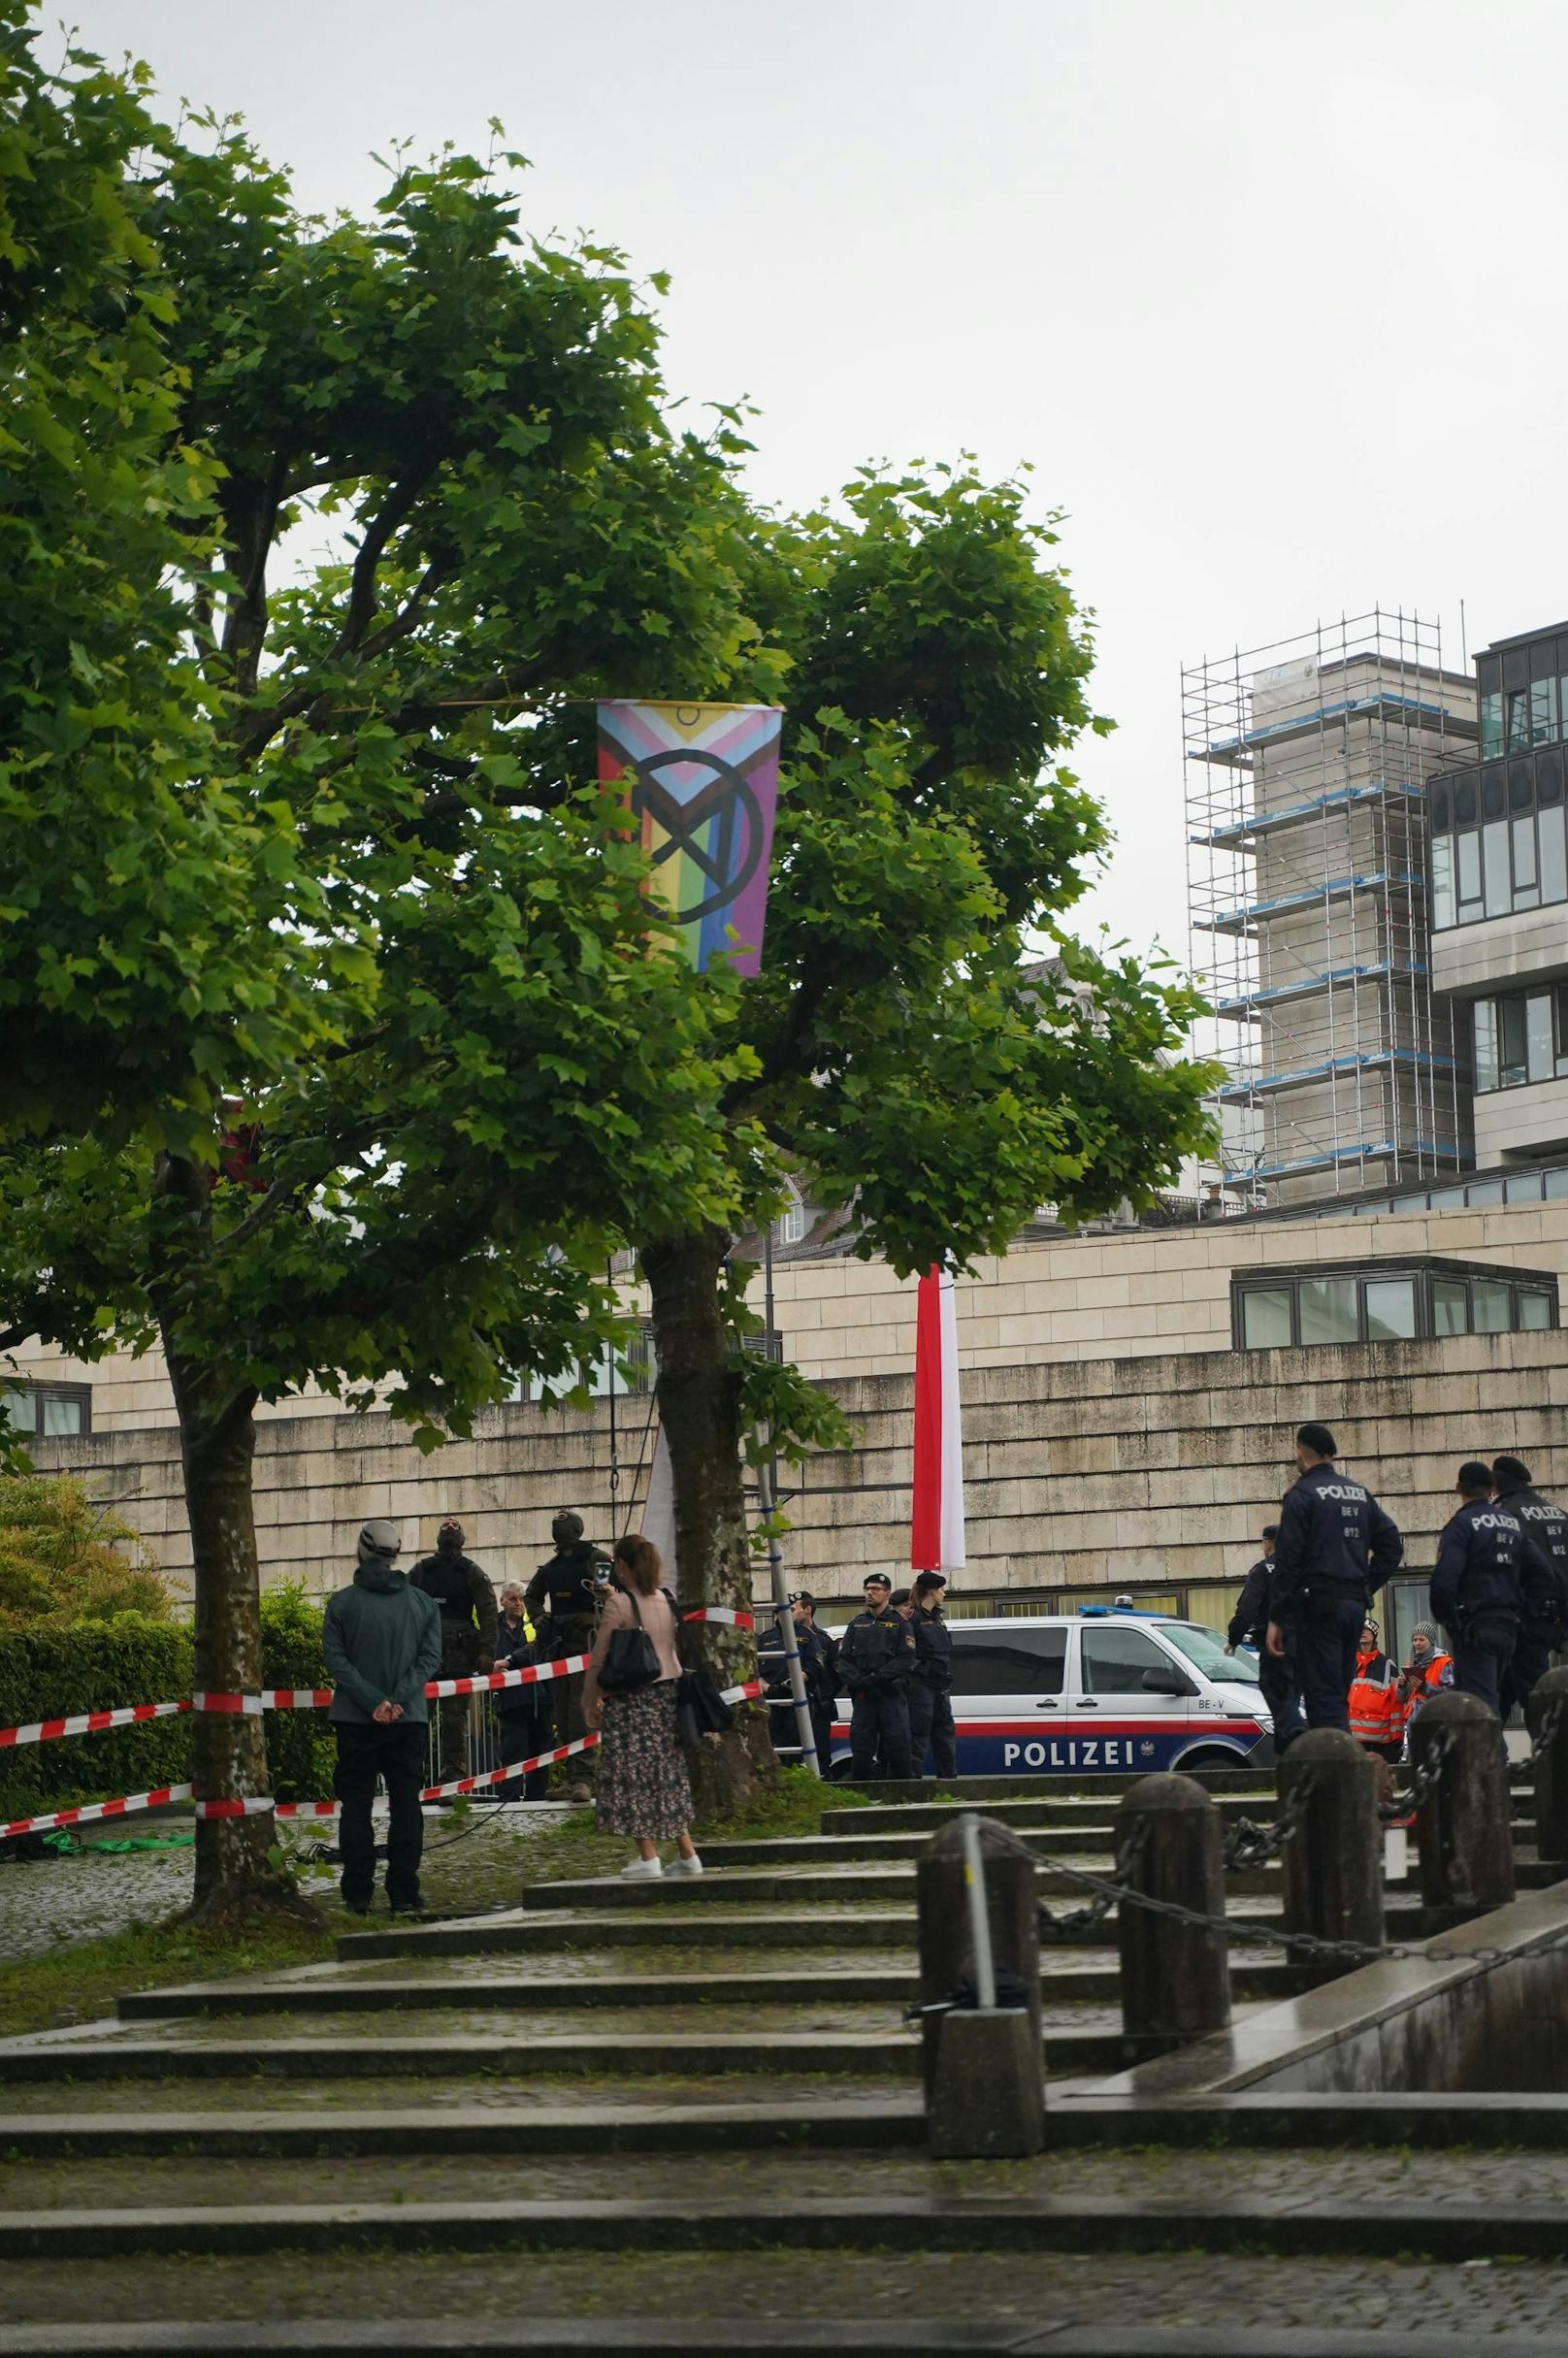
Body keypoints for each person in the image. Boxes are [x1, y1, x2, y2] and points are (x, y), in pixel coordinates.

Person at [321, 1519, 442, 1917]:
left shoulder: (341, 1604)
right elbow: (429, 1660)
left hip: (354, 1720)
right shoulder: (424, 1604)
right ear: (396, 1554)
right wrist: (398, 1699)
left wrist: (372, 1700)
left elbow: (336, 1661)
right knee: (406, 1805)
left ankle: (357, 1893)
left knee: (354, 1806)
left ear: (360, 1550)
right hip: (409, 1719)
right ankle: (405, 1892)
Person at [1267, 1423, 1403, 1734]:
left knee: (1321, 1694)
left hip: (1318, 1606)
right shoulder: (1359, 1493)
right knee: (1339, 1691)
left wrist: (1277, 1617)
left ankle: (1334, 1772)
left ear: (1300, 1452)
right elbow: (1391, 1546)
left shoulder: (1302, 1495)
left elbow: (1287, 1562)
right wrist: (1365, 1585)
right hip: (1354, 1606)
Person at [581, 1533, 701, 1881]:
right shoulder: (667, 1598)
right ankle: (687, 1853)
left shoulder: (619, 1606)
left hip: (632, 1700)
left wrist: (589, 1701)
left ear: (621, 1565)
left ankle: (648, 1857)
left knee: (629, 1776)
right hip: (668, 1696)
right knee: (667, 1775)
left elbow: (598, 1659)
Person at [1430, 1459, 1556, 1716]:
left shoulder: (1461, 1525)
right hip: (1510, 1628)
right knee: (1503, 1698)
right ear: (1491, 1488)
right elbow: (1543, 1573)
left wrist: (1451, 1623)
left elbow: (1443, 1582)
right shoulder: (1511, 1523)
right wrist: (1526, 1610)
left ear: (1458, 1488)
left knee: (1480, 1708)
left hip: (1476, 1628)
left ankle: (1489, 1756)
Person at [525, 1509, 612, 1803]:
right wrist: (539, 1619)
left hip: (587, 1646)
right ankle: (572, 1776)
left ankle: (583, 1779)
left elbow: (613, 1592)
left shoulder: (597, 1558)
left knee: (579, 1712)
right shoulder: (552, 1567)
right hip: (559, 1647)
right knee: (561, 1714)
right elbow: (532, 1596)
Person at [408, 1518, 498, 1779]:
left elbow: (488, 1613)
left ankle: (453, 1779)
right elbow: (402, 1610)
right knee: (415, 1721)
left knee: (454, 1722)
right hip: (424, 1657)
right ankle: (411, 1777)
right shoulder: (421, 1571)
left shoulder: (471, 1572)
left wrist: (486, 1652)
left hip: (457, 1658)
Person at [1491, 1456, 1568, 1719]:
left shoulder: (1505, 1515)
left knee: (1536, 1697)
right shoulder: (1556, 1513)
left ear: (1498, 1483)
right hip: (1556, 1618)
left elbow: (1502, 1568)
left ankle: (1550, 1756)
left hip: (1524, 1617)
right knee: (1506, 1689)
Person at [1225, 1521, 1303, 1754]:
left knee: (1275, 1692)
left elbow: (1247, 1608)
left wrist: (1234, 1638)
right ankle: (1287, 1755)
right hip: (1306, 1645)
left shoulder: (1262, 1570)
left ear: (1268, 1544)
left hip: (1275, 1644)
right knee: (1290, 1698)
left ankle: (1299, 1736)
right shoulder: (1301, 1569)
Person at [838, 1572, 917, 1780]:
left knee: (898, 1745)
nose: (870, 1593)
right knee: (861, 1746)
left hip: (890, 1694)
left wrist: (877, 1678)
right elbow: (843, 1660)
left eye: (876, 1589)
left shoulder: (900, 1623)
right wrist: (859, 1682)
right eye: (867, 1589)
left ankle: (904, 1795)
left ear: (887, 1594)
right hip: (864, 1697)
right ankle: (861, 1795)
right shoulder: (857, 1624)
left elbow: (905, 1659)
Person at [493, 1581, 550, 1801]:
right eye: (513, 1599)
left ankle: (536, 1800)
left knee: (540, 1752)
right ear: (502, 1601)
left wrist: (508, 1660)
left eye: (522, 1599)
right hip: (511, 1700)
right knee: (512, 1753)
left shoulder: (536, 1622)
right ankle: (509, 1801)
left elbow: (536, 1648)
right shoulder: (494, 1627)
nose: (518, 1604)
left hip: (539, 1697)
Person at [908, 1570, 957, 1778]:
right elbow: (909, 1654)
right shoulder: (914, 1619)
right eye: (941, 1589)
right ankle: (912, 1786)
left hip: (940, 1685)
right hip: (921, 1686)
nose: (944, 1593)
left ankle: (948, 1782)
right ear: (931, 1591)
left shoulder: (938, 1619)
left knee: (945, 1735)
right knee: (918, 1737)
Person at [1347, 1618, 1401, 1760]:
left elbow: (1396, 1705)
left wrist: (1396, 1739)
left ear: (1374, 1635)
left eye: (1367, 1630)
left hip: (1378, 1744)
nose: (1363, 1633)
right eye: (1360, 1630)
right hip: (1351, 1739)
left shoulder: (1387, 1665)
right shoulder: (1347, 1662)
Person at [1396, 1620, 1453, 1740]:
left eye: (1422, 1639)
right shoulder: (1410, 1665)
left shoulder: (1443, 1662)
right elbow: (1401, 1699)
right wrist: (1401, 1686)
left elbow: (1450, 1695)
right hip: (1413, 1723)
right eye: (1415, 1640)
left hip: (1436, 1722)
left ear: (1431, 1641)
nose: (1417, 1643)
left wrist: (1424, 1687)